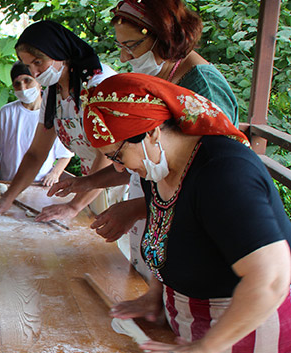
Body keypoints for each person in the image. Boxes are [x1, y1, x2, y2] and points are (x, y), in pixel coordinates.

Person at [82, 73, 291, 353]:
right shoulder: (156, 168)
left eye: (118, 155)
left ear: (151, 133)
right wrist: (155, 294)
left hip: (249, 331)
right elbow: (169, 234)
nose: (118, 167)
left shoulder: (224, 173)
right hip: (196, 321)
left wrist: (206, 348)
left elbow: (271, 278)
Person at [50, 0, 241, 276]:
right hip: (163, 224)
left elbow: (206, 179)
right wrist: (89, 182)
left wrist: (136, 208)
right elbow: (140, 161)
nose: (125, 58)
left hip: (202, 240)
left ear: (164, 37)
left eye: (132, 46)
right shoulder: (163, 76)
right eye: (121, 47)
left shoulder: (203, 86)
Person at [0, 20, 119, 222]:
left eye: (38, 62)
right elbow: (36, 154)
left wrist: (74, 206)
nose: (34, 73)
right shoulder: (53, 95)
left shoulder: (97, 85)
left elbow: (110, 155)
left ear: (60, 52)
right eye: (28, 65)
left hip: (116, 180)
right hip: (91, 181)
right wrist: (7, 198)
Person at [0, 62, 73, 185]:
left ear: (39, 82)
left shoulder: (53, 113)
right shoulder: (7, 112)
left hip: (39, 183)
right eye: (17, 84)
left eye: (27, 81)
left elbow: (66, 153)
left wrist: (55, 173)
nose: (23, 88)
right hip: (7, 181)